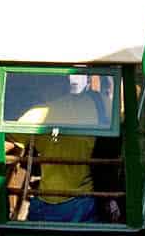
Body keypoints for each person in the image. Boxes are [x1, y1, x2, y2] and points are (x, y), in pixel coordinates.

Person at [16, 73, 104, 223]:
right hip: (86, 200)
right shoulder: (96, 101)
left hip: (49, 202)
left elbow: (3, 145)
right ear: (65, 82)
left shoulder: (36, 114)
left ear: (40, 86)